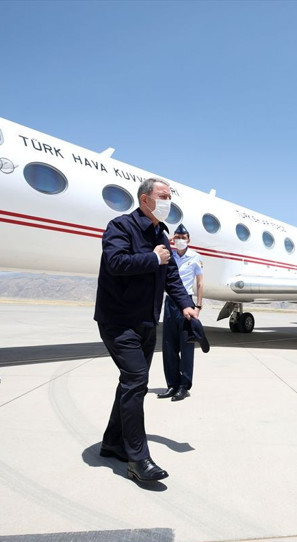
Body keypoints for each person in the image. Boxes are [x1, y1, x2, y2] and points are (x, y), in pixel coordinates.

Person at [94, 177, 198, 483]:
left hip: (146, 322)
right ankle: (138, 459)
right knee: (137, 381)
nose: (168, 201)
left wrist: (187, 305)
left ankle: (113, 442)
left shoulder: (161, 235)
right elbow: (115, 262)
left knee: (131, 383)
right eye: (163, 195)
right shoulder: (121, 227)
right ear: (145, 200)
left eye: (170, 196)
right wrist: (153, 258)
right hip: (118, 321)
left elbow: (172, 279)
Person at [159, 223, 204, 402]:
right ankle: (172, 384)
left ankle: (184, 386)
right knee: (168, 346)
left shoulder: (195, 258)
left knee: (186, 347)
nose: (180, 240)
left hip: (187, 302)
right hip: (170, 302)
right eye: (177, 238)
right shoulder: (168, 256)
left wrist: (198, 307)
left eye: (183, 238)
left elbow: (200, 283)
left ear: (188, 240)